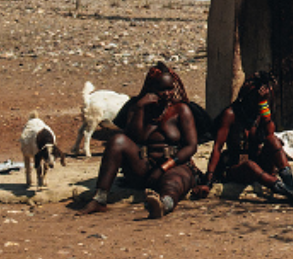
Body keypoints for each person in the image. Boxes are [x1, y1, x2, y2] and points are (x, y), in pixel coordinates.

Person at [82, 63, 205, 218]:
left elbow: (191, 146)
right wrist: (140, 108)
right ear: (151, 89)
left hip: (174, 165)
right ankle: (100, 198)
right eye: (162, 89)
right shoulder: (137, 107)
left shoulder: (181, 110)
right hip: (143, 167)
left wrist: (164, 167)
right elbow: (135, 137)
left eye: (170, 89)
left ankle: (164, 204)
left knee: (173, 182)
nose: (167, 94)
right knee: (117, 140)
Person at [196, 69, 293, 206]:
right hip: (235, 168)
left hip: (258, 162)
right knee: (249, 166)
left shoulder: (260, 113)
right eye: (255, 98)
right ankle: (285, 191)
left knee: (274, 141)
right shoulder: (231, 114)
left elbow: (270, 135)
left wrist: (264, 106)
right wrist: (208, 180)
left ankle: (291, 186)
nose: (257, 102)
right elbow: (217, 147)